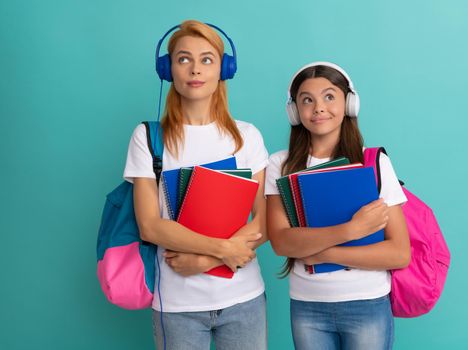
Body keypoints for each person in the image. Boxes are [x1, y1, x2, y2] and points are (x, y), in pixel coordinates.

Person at [124, 20, 268, 350]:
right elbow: (149, 226)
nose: (195, 69)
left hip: (244, 299)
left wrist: (205, 261)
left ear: (224, 69)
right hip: (177, 306)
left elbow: (263, 222)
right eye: (183, 58)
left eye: (206, 59)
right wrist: (221, 250)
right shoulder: (148, 138)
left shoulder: (246, 136)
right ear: (168, 68)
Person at [265, 61, 411, 350]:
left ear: (349, 104)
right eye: (307, 100)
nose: (319, 108)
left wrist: (323, 253)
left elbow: (399, 252)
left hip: (367, 304)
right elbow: (282, 242)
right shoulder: (279, 165)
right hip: (307, 307)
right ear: (294, 111)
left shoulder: (374, 163)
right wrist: (351, 229)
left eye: (329, 96)